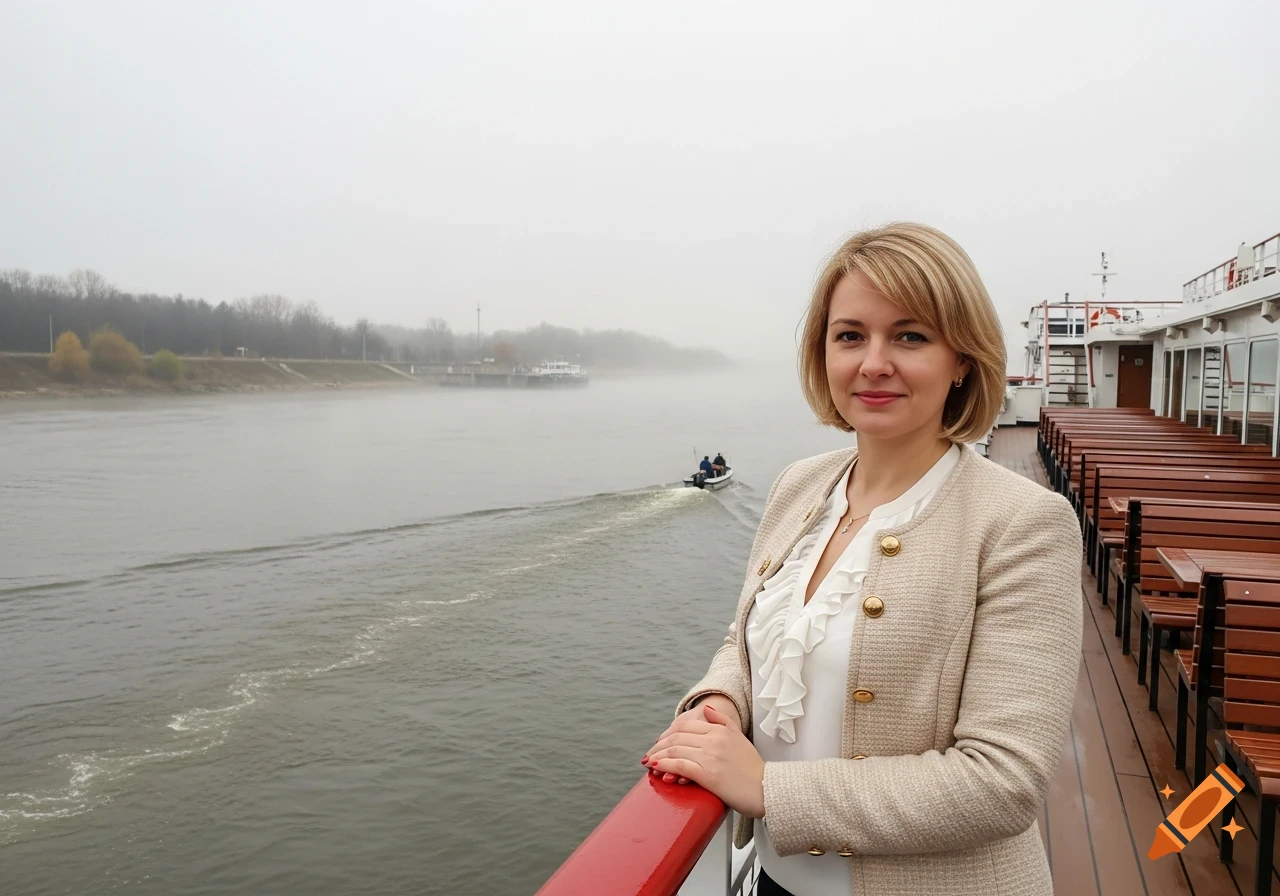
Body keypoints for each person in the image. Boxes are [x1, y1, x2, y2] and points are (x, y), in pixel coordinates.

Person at [642, 223, 1081, 896]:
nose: (874, 362)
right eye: (850, 335)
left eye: (910, 336)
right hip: (774, 881)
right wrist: (718, 704)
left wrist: (766, 786)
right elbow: (748, 635)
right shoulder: (800, 486)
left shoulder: (1022, 524)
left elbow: (1001, 781)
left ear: (962, 359)